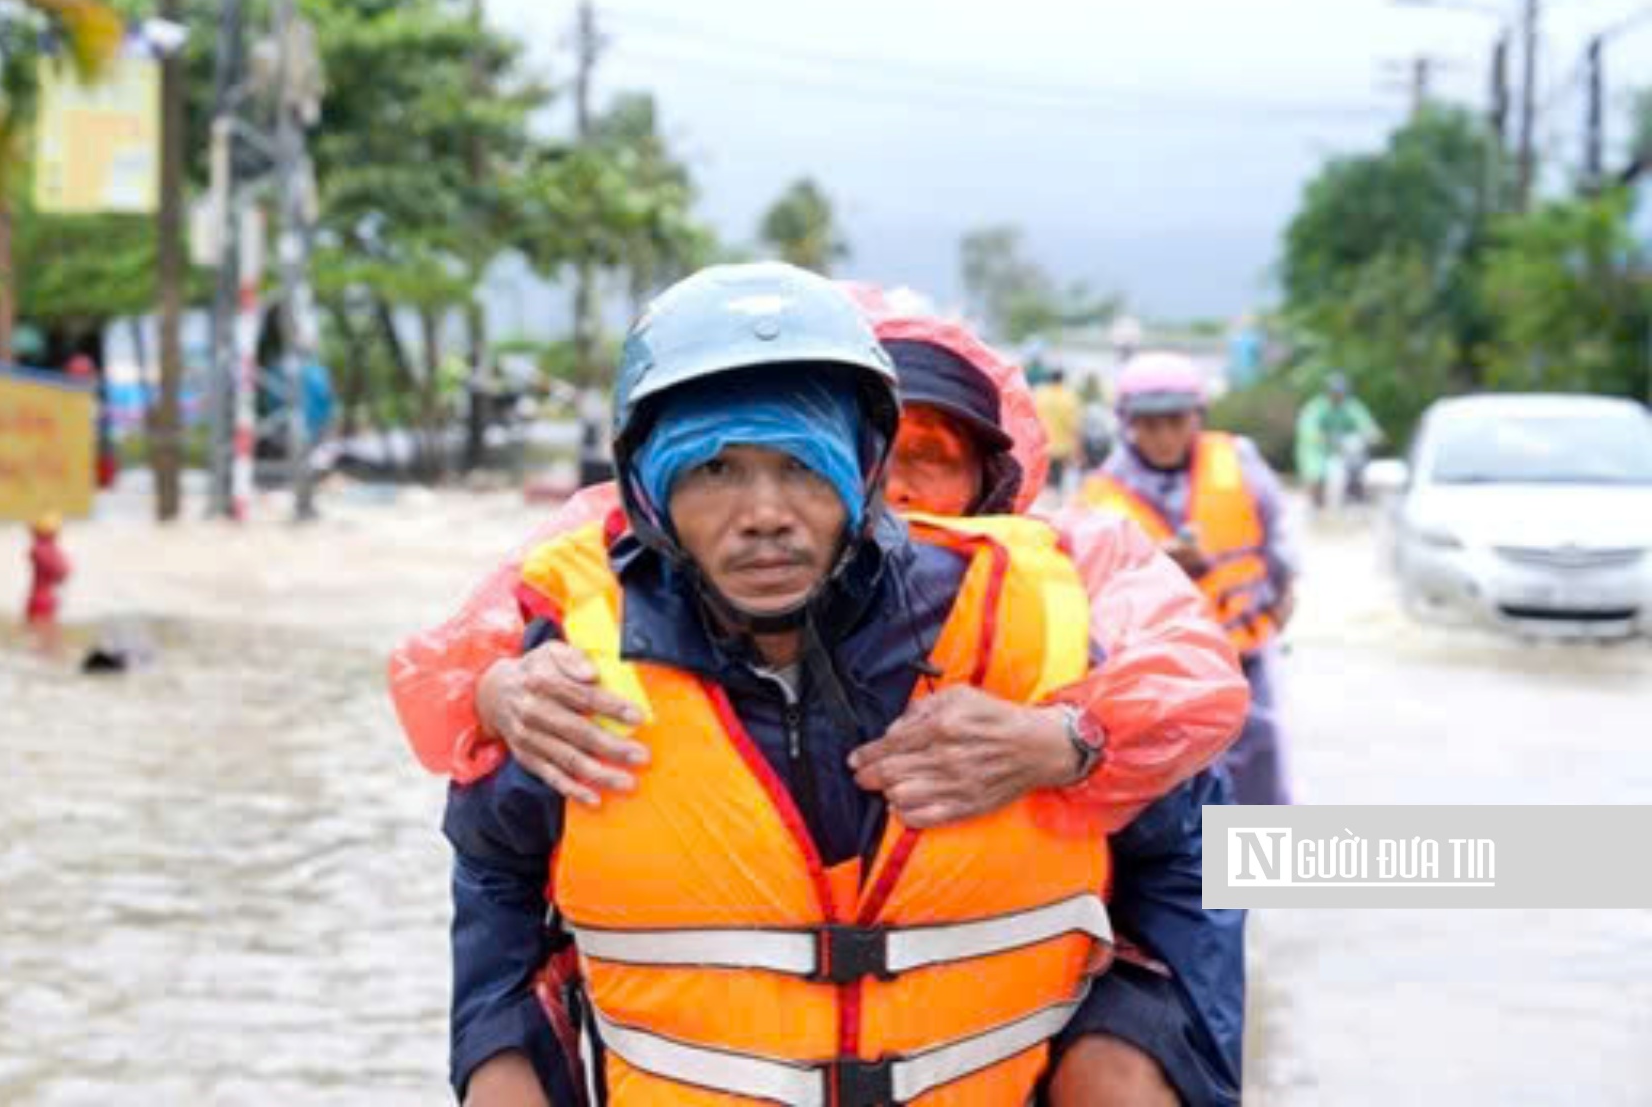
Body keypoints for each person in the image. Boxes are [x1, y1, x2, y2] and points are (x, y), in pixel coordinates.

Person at [433, 266, 1246, 1106]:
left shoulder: (1061, 588)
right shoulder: (579, 622)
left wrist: (1153, 1042)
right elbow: (456, 720)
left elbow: (1214, 811)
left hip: (1204, 716)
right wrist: (500, 1057)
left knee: (1264, 816)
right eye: (714, 468)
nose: (765, 512)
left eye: (933, 460)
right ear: (648, 488)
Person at [1078, 353, 1295, 807]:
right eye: (1149, 424)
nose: (1164, 436)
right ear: (1128, 423)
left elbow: (1279, 540)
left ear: (1197, 416)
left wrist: (1282, 600)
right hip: (1156, 675)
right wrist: (1161, 562)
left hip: (1241, 654)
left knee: (1258, 773)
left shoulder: (1237, 461)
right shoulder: (1101, 493)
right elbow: (1087, 589)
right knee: (1172, 795)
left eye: (1176, 421)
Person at [1295, 372, 1381, 508]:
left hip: (1344, 452)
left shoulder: (1351, 406)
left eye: (1341, 393)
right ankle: (1316, 505)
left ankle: (1356, 498)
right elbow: (1308, 430)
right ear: (1327, 392)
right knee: (1316, 474)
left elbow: (1367, 425)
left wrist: (1371, 435)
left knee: (1359, 468)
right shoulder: (1316, 407)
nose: (1338, 396)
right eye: (1334, 392)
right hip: (1318, 450)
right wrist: (1325, 438)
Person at [1033, 366, 1084, 493]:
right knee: (1056, 486)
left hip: (1042, 448)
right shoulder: (1069, 398)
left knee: (1042, 486)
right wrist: (1078, 450)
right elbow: (1074, 427)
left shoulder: (1040, 395)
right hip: (1061, 450)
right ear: (1063, 379)